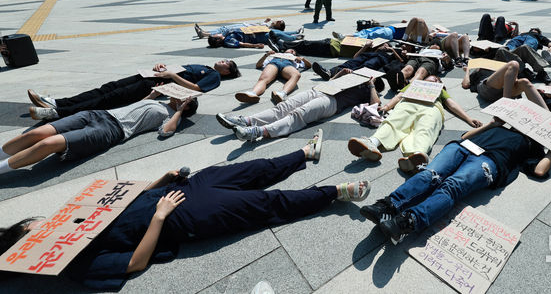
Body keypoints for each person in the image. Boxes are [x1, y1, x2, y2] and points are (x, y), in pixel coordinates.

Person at [0, 139, 369, 289]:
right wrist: (160, 216)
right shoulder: (75, 264)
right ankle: (333, 194)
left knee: (251, 170)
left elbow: (123, 196)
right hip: (182, 215)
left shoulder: (73, 218)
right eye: (38, 231)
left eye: (40, 222)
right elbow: (133, 263)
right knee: (265, 205)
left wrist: (160, 180)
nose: (48, 225)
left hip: (174, 191)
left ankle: (303, 155)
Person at [359, 118, 551, 244]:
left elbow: (540, 171)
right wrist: (492, 124)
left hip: (490, 161)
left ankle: (407, 222)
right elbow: (466, 135)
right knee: (429, 174)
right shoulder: (503, 127)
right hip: (463, 147)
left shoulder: (533, 146)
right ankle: (386, 206)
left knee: (453, 186)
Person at [0, 94, 198, 175]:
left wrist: (180, 110)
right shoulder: (160, 101)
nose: (180, 95)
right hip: (99, 114)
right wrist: (154, 95)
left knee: (48, 144)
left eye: (187, 98)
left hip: (112, 130)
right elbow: (135, 105)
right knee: (38, 133)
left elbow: (165, 132)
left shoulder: (174, 116)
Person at [348, 76, 482, 173]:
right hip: (409, 103)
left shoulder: (440, 90)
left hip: (432, 107)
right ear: (424, 80)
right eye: (432, 78)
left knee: (426, 128)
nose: (435, 80)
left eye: (437, 80)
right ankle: (373, 143)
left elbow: (451, 104)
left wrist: (469, 119)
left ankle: (417, 156)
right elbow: (399, 96)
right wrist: (388, 106)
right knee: (394, 122)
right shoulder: (415, 84)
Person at [27, 61, 239, 121]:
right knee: (106, 88)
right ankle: (57, 102)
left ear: (228, 71)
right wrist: (162, 67)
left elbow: (196, 88)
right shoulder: (205, 66)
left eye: (226, 63)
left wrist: (171, 77)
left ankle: (57, 113)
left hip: (156, 86)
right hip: (152, 76)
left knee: (110, 98)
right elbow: (179, 71)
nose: (222, 61)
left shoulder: (215, 77)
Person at [217, 76, 381, 142]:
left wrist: (371, 84)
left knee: (298, 115)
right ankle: (245, 121)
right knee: (282, 107)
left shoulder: (368, 90)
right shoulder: (354, 77)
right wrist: (340, 75)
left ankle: (258, 131)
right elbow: (329, 83)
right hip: (318, 91)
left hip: (332, 102)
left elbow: (376, 105)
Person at [235, 50, 311, 105]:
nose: (291, 51)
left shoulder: (295, 59)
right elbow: (258, 65)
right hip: (274, 64)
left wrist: (302, 59)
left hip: (287, 66)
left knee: (296, 75)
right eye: (290, 50)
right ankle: (253, 94)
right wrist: (266, 55)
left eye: (293, 51)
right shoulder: (276, 55)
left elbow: (308, 66)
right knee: (263, 79)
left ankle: (282, 94)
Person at [462, 59, 546, 103]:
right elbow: (465, 84)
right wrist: (468, 70)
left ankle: (549, 117)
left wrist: (532, 90)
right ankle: (506, 104)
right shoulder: (479, 69)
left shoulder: (501, 68)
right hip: (487, 89)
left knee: (525, 81)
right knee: (514, 64)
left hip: (504, 91)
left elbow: (514, 81)